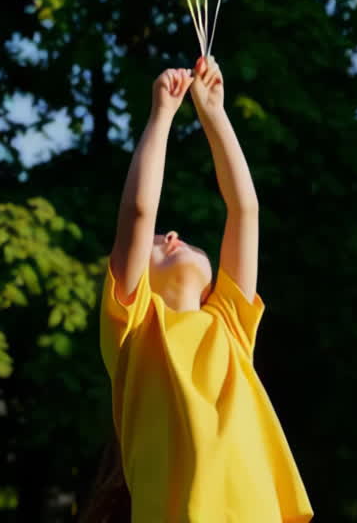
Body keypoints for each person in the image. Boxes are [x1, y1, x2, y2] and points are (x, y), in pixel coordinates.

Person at [85, 56, 313, 523]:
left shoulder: (229, 323)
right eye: (156, 241)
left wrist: (215, 115)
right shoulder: (134, 330)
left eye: (174, 235)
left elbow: (244, 209)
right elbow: (139, 211)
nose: (170, 234)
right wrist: (161, 117)